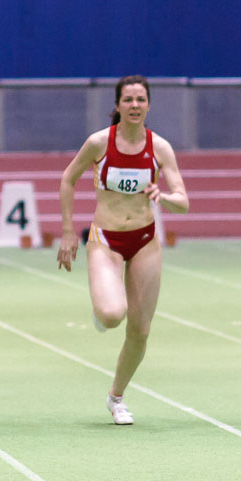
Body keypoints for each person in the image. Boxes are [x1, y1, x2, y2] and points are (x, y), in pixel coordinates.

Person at [57, 75, 189, 425]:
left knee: (140, 330)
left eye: (140, 100)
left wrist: (166, 197)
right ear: (117, 106)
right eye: (128, 100)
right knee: (114, 314)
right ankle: (104, 308)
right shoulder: (100, 142)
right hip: (107, 240)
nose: (134, 106)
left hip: (145, 240)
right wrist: (68, 232)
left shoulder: (159, 147)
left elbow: (183, 200)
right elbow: (68, 179)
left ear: (148, 105)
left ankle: (116, 398)